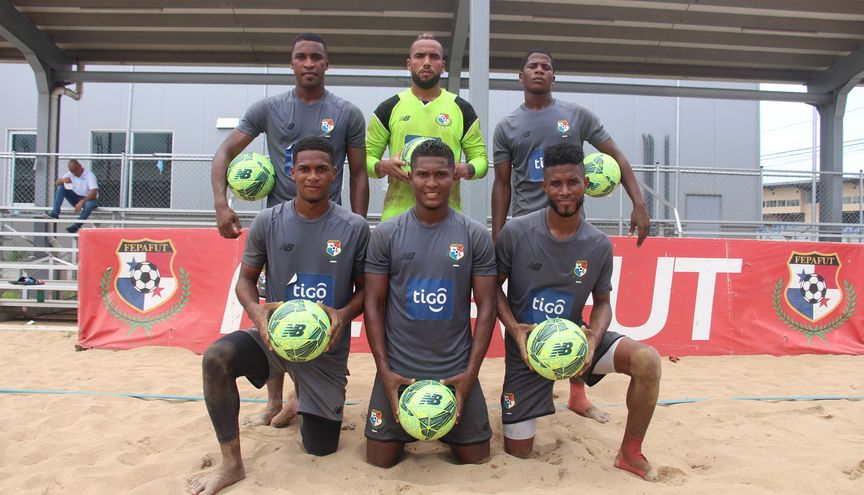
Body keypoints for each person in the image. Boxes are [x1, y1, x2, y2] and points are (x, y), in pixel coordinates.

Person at [191, 137, 370, 495]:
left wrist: (343, 313)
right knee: (216, 359)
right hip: (274, 338)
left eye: (321, 169)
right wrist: (257, 313)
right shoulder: (268, 221)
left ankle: (299, 398)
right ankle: (231, 464)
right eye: (305, 169)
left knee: (320, 447)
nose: (313, 176)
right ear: (291, 173)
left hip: (324, 349)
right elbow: (245, 281)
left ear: (335, 173)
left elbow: (367, 291)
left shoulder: (354, 227)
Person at [211, 32, 368, 428]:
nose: (309, 63)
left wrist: (359, 223)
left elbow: (359, 173)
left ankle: (308, 391)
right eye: (301, 57)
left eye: (316, 57)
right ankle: (274, 399)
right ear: (292, 63)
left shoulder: (347, 113)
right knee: (277, 304)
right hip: (279, 224)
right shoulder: (268, 107)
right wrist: (221, 203)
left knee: (324, 306)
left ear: (327, 64)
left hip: (329, 224)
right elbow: (225, 151)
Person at [491, 49, 652, 422]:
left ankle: (577, 393)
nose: (539, 70)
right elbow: (502, 184)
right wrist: (498, 234)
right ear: (520, 76)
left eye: (546, 66)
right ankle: (527, 383)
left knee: (571, 304)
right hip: (525, 229)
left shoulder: (576, 115)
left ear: (554, 76)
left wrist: (639, 202)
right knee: (526, 309)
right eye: (532, 66)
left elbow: (617, 156)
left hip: (569, 226)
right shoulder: (507, 126)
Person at [495, 142, 662, 481]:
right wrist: (514, 329)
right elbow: (490, 289)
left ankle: (630, 452)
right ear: (544, 186)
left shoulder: (597, 244)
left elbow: (602, 303)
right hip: (527, 351)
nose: (565, 191)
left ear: (586, 183)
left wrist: (593, 338)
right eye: (556, 183)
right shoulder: (516, 232)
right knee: (519, 451)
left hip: (576, 343)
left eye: (572, 182)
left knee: (648, 361)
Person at [363, 139, 496, 467]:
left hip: (455, 371)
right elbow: (373, 305)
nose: (432, 183)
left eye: (441, 174)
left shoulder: (475, 235)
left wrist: (470, 374)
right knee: (380, 460)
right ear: (410, 177)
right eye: (423, 174)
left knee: (476, 458)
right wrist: (384, 372)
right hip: (399, 371)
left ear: (454, 177)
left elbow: (487, 308)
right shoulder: (386, 234)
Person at [366, 32, 488, 221]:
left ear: (443, 66)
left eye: (434, 56)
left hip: (447, 219)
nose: (427, 62)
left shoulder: (461, 108)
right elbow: (366, 158)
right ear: (409, 64)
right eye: (420, 56)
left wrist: (466, 169)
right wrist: (383, 166)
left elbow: (481, 160)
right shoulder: (389, 108)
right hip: (397, 218)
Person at [45, 159, 98, 233]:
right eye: (72, 172)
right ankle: (55, 213)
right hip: (76, 198)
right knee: (62, 187)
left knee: (89, 205)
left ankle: (76, 226)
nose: (74, 174)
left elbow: (94, 193)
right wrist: (62, 180)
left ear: (80, 166)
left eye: (75, 171)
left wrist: (82, 202)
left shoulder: (89, 175)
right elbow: (57, 183)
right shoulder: (71, 174)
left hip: (89, 199)